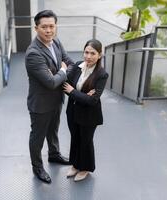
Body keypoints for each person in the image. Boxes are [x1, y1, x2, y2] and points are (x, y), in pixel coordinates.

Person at [25, 10, 74, 184]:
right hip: (40, 103)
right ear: (36, 28)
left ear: (55, 26)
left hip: (56, 99)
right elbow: (51, 82)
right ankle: (37, 167)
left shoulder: (56, 42)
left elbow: (70, 63)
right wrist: (62, 71)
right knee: (37, 137)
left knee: (53, 130)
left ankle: (54, 155)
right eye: (44, 27)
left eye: (51, 26)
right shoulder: (33, 54)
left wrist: (60, 72)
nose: (48, 30)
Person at [63, 39, 108, 182]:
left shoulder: (101, 74)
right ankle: (76, 165)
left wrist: (75, 92)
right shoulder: (77, 66)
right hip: (73, 111)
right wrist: (82, 95)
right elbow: (66, 86)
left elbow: (92, 100)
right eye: (86, 52)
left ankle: (85, 168)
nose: (88, 56)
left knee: (86, 141)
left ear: (99, 55)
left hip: (89, 115)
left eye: (92, 53)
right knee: (75, 138)